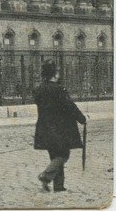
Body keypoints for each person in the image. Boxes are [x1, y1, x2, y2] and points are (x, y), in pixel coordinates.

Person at [34, 61, 86, 193]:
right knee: (63, 154)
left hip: (44, 128)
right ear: (54, 74)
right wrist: (82, 118)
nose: (59, 74)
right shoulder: (59, 89)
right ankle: (45, 176)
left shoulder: (39, 89)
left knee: (55, 155)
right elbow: (69, 106)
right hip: (59, 128)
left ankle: (58, 186)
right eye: (57, 72)